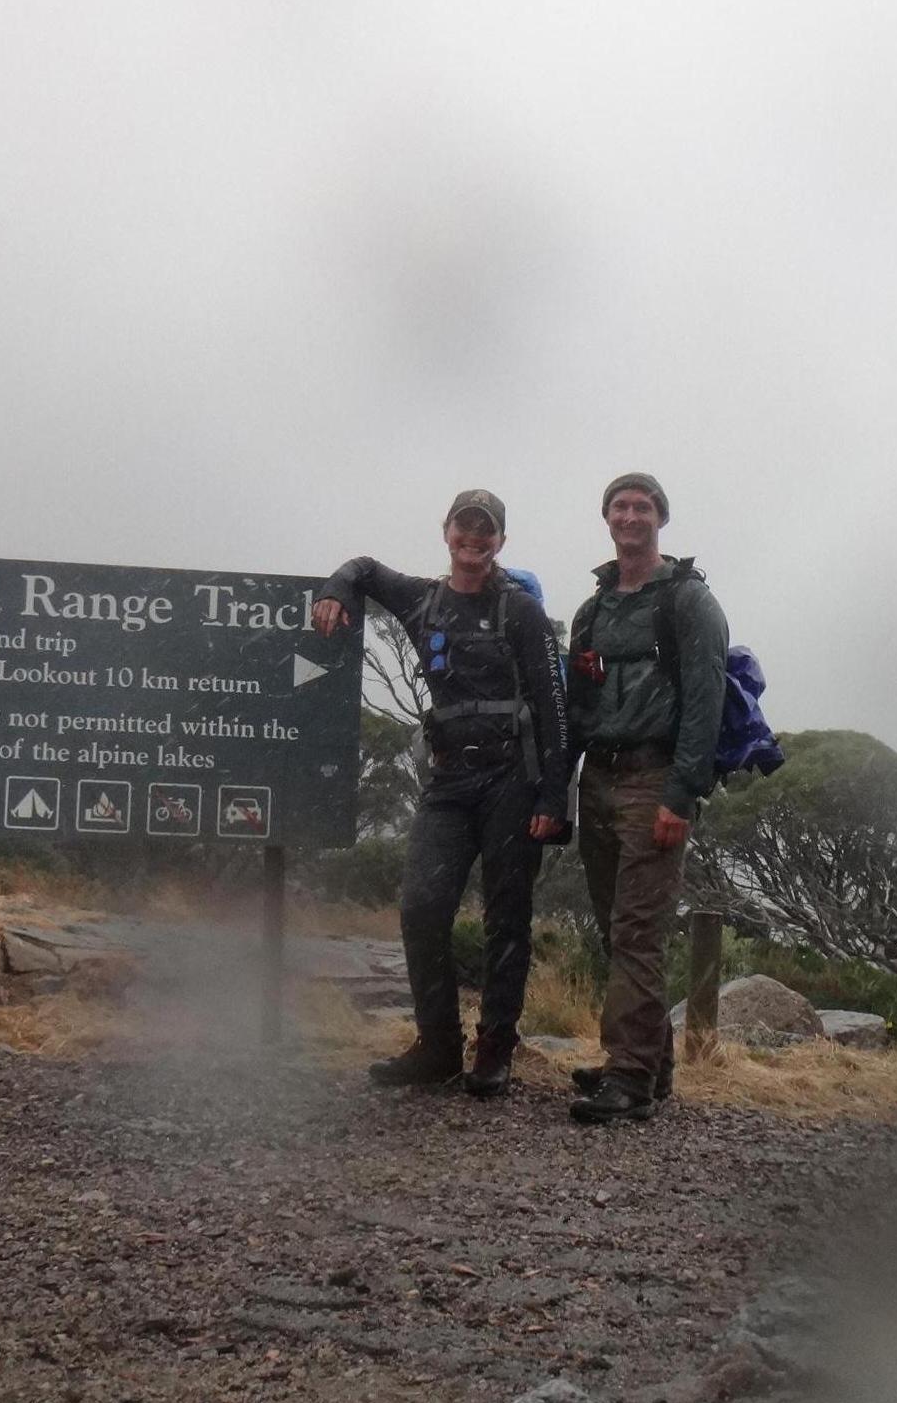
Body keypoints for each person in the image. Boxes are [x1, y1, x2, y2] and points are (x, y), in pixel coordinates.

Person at [312, 491, 569, 1095]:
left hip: (513, 778)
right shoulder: (423, 599)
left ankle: (495, 1051)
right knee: (422, 907)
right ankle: (439, 1047)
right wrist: (334, 589)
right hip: (450, 780)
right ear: (447, 532)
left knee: (508, 917)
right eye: (464, 527)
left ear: (501, 541)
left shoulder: (522, 612)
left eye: (487, 531)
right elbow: (366, 570)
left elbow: (555, 711)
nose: (474, 539)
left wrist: (554, 798)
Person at [566, 473, 729, 1124]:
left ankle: (627, 1078)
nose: (630, 515)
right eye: (619, 505)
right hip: (597, 780)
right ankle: (651, 1064)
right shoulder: (593, 609)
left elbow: (704, 702)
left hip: (652, 782)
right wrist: (561, 788)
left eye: (642, 506)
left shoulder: (688, 602)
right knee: (615, 930)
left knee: (638, 932)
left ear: (660, 517)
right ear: (606, 517)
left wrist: (679, 794)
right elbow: (577, 705)